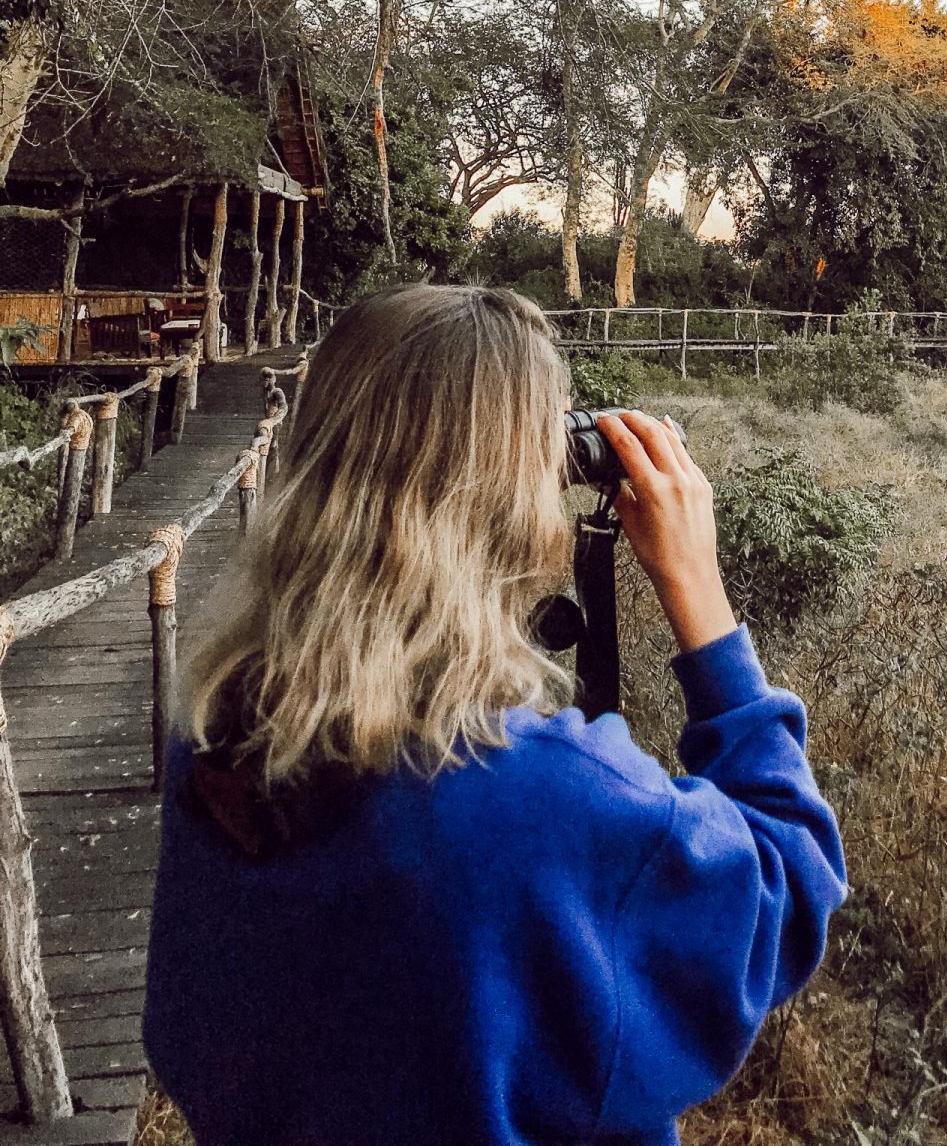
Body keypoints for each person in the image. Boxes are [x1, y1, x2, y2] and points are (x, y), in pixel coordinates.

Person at [142, 285, 846, 1145]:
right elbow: (788, 883)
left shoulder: (217, 737)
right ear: (508, 499)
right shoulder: (532, 795)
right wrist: (698, 592)